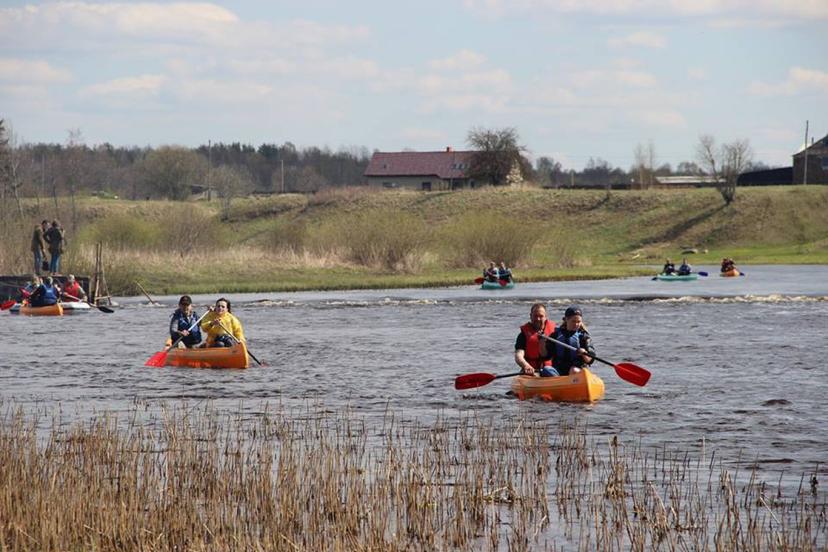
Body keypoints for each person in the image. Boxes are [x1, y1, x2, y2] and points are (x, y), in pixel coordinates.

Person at [541, 306, 595, 376]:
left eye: (578, 322)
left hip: (577, 370)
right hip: (559, 371)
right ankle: (559, 382)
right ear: (566, 320)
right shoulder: (556, 335)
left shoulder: (584, 337)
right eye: (573, 321)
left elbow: (590, 360)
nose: (576, 324)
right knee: (546, 369)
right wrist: (542, 343)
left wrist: (584, 354)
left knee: (574, 370)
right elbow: (546, 356)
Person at [515, 303, 557, 377]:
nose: (538, 319)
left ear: (545, 317)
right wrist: (526, 365)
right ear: (530, 316)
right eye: (535, 316)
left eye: (541, 316)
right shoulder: (523, 335)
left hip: (551, 369)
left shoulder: (555, 333)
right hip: (531, 371)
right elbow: (519, 355)